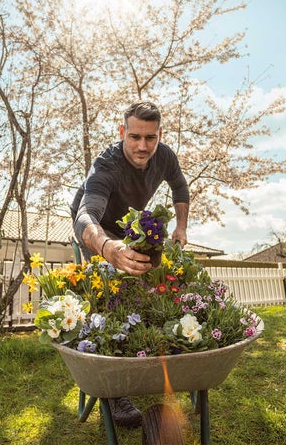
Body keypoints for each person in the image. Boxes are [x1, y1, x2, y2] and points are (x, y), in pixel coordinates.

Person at [70, 101, 190, 427]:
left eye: (150, 138)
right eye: (134, 136)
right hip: (95, 230)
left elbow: (179, 187)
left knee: (153, 282)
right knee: (106, 294)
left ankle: (157, 351)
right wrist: (107, 247)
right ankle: (112, 390)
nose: (142, 146)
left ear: (159, 135)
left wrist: (181, 227)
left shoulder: (163, 156)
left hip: (127, 226)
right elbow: (85, 216)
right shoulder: (106, 165)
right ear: (122, 132)